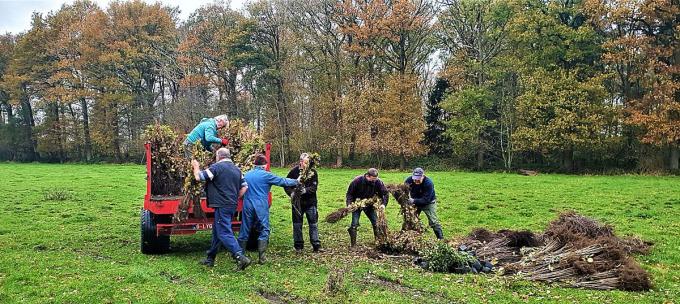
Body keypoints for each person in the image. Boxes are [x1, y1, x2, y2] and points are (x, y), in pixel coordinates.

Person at [191, 148, 251, 270]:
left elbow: (199, 177)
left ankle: (240, 256)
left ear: (219, 156)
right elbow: (245, 187)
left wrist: (196, 166)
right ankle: (210, 259)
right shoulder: (237, 170)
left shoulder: (217, 168)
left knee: (223, 232)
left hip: (222, 205)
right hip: (231, 205)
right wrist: (234, 197)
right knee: (217, 231)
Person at [238, 154, 299, 264]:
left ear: (254, 164)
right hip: (261, 205)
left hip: (247, 205)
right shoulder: (266, 175)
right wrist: (296, 181)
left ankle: (240, 255)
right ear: (264, 165)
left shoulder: (247, 174)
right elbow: (282, 181)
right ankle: (262, 257)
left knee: (245, 228)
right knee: (264, 228)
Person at [284, 153, 321, 253]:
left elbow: (314, 187)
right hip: (297, 204)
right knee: (297, 225)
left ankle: (316, 245)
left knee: (313, 224)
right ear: (301, 162)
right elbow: (286, 184)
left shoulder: (313, 172)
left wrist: (305, 190)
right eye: (305, 162)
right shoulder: (293, 172)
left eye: (308, 162)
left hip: (310, 202)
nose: (307, 164)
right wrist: (291, 193)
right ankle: (298, 246)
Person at [345, 168, 389, 247]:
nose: (374, 181)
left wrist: (383, 204)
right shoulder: (357, 181)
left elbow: (385, 193)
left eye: (375, 179)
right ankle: (353, 245)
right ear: (367, 176)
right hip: (357, 204)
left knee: (376, 222)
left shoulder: (378, 182)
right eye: (372, 180)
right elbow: (349, 194)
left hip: (369, 204)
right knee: (354, 223)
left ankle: (378, 241)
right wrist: (349, 204)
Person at [405, 167, 443, 240]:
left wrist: (413, 201)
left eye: (418, 179)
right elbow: (404, 191)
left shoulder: (429, 183)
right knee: (410, 220)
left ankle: (440, 239)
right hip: (415, 203)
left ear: (423, 176)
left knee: (433, 221)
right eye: (415, 178)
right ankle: (410, 239)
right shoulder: (409, 180)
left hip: (428, 203)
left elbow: (426, 200)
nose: (416, 180)